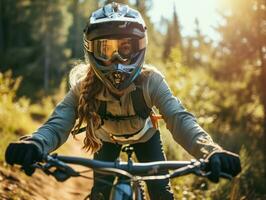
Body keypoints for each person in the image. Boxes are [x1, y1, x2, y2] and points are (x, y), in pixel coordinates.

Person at [5, 2, 241, 200]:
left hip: (146, 139)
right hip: (106, 141)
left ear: (140, 47)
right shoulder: (83, 87)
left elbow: (180, 119)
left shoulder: (151, 81)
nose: (117, 59)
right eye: (106, 50)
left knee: (161, 193)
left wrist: (211, 151)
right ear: (91, 51)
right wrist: (35, 143)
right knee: (100, 194)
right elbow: (58, 124)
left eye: (126, 49)